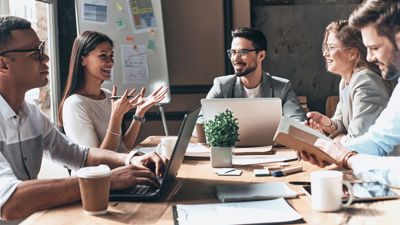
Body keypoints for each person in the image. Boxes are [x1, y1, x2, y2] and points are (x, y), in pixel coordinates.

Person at [0, 16, 167, 221]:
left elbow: (80, 155)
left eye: (42, 49)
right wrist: (106, 180)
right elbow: (9, 203)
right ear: (3, 64)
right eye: (36, 53)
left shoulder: (32, 114)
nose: (46, 59)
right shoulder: (73, 104)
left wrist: (132, 159)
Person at [299, 0, 400, 188]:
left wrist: (347, 157)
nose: (368, 57)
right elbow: (378, 139)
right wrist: (330, 152)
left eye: (375, 47)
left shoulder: (365, 79)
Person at [58, 31, 167, 153]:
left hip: (119, 171)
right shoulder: (75, 105)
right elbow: (96, 162)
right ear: (83, 60)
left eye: (111, 56)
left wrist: (139, 113)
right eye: (103, 55)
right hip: (101, 172)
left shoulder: (108, 95)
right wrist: (116, 116)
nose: (111, 62)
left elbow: (121, 149)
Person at [305, 20, 391, 144]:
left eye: (332, 47)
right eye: (326, 47)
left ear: (352, 53)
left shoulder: (365, 81)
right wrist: (327, 123)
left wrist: (338, 139)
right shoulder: (346, 81)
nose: (325, 53)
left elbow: (358, 139)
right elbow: (341, 123)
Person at [206, 27, 306, 121]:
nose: (235, 58)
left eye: (243, 52)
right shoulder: (222, 86)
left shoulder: (282, 88)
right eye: (233, 52)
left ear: (261, 55)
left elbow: (297, 121)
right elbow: (201, 122)